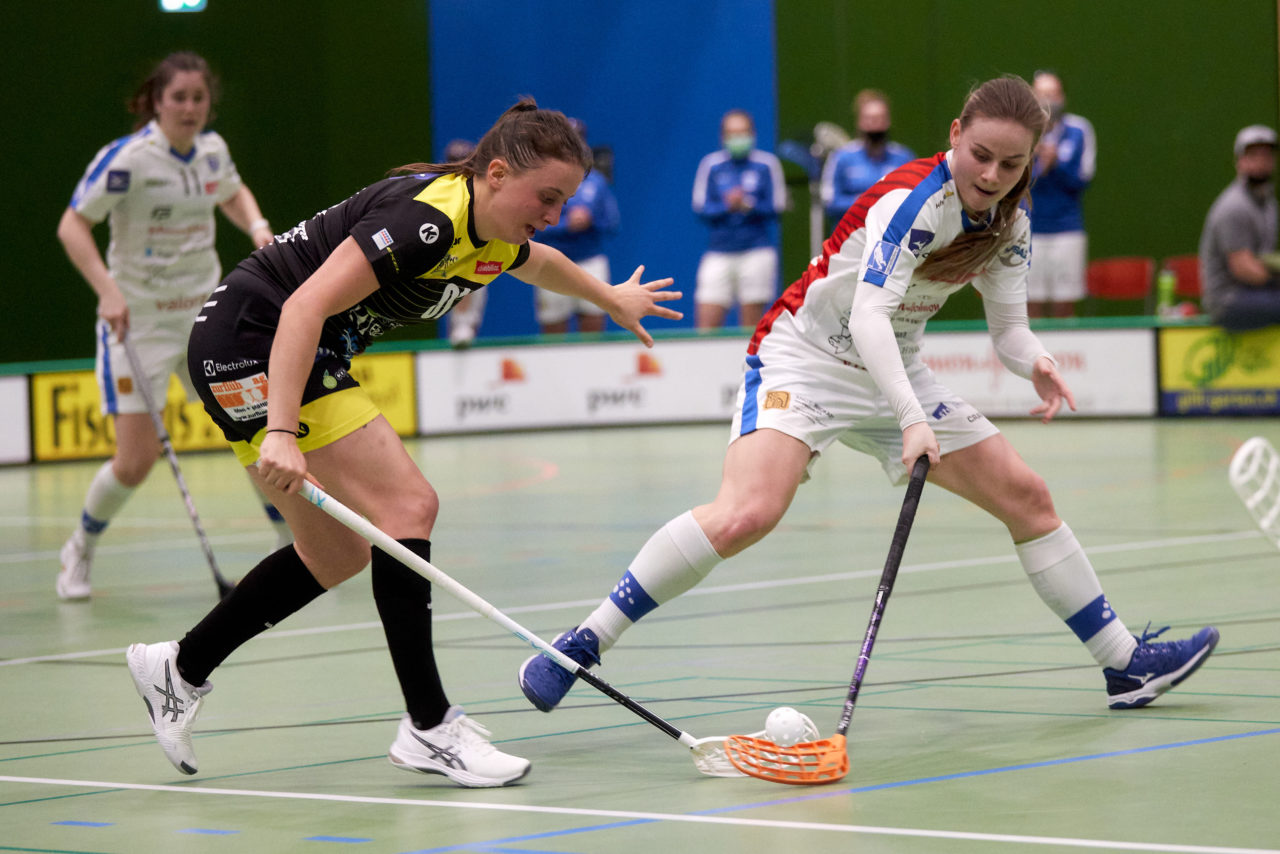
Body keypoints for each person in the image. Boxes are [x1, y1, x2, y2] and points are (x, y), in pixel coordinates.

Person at [519, 76, 1218, 721]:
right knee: (746, 515)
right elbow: (868, 317)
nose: (992, 176)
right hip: (808, 357)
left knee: (1027, 496)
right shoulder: (912, 204)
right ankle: (583, 642)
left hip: (895, 369)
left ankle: (1123, 665)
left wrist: (1033, 360)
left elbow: (1007, 329)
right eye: (981, 156)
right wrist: (913, 419)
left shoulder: (1011, 224)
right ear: (953, 135)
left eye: (1012, 164)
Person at [124, 99, 681, 788]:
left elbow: (540, 262)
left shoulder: (491, 230)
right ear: (498, 174)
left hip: (268, 343)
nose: (555, 211)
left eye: (562, 199)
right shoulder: (428, 222)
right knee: (408, 507)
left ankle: (177, 669)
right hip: (257, 338)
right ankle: (428, 725)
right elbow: (302, 306)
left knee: (336, 554)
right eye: (547, 196)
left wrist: (609, 298)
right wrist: (279, 431)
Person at [55, 52, 286, 601]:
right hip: (137, 323)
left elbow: (230, 189)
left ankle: (292, 540)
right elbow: (72, 226)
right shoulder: (128, 160)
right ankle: (80, 547)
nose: (189, 108)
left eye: (198, 98)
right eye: (178, 98)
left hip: (206, 316)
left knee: (254, 432)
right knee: (135, 462)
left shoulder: (212, 150)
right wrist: (108, 291)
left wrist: (257, 227)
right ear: (157, 101)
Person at [691, 109, 788, 330]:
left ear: (753, 134)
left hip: (756, 251)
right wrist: (728, 206)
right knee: (706, 324)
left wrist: (748, 205)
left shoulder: (767, 164)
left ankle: (746, 364)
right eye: (732, 133)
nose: (738, 138)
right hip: (719, 251)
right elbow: (700, 207)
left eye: (743, 132)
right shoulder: (711, 165)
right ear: (723, 137)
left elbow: (777, 206)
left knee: (750, 328)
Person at [534, 119, 620, 334]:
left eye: (577, 141)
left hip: (590, 262)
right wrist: (566, 225)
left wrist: (591, 220)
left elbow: (612, 222)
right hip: (552, 262)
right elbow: (533, 225)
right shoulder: (543, 180)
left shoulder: (596, 181)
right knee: (553, 331)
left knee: (593, 328)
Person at [1027, 71, 1096, 318]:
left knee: (1064, 304)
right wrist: (1034, 158)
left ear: (1063, 97)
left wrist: (1056, 163)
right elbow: (1014, 183)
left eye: (1053, 94)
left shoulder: (1079, 130)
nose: (1048, 101)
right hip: (1029, 230)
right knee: (1030, 302)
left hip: (1067, 230)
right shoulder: (1022, 132)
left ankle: (1066, 356)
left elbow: (1081, 180)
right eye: (1042, 95)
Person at [1199, 125, 1280, 331]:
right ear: (1239, 161)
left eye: (1266, 155)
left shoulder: (1269, 203)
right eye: (1253, 155)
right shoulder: (1234, 206)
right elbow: (1244, 269)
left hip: (1256, 294)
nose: (1261, 162)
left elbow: (1262, 259)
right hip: (1227, 300)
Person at [820, 88, 915, 226]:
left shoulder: (903, 158)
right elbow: (829, 201)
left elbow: (915, 201)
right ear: (860, 122)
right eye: (869, 119)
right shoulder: (841, 158)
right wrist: (865, 201)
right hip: (849, 240)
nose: (875, 124)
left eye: (880, 118)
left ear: (888, 121)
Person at [439, 138, 487, 349]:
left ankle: (464, 326)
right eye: (454, 163)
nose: (459, 170)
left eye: (465, 164)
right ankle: (460, 326)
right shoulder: (437, 188)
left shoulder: (483, 188)